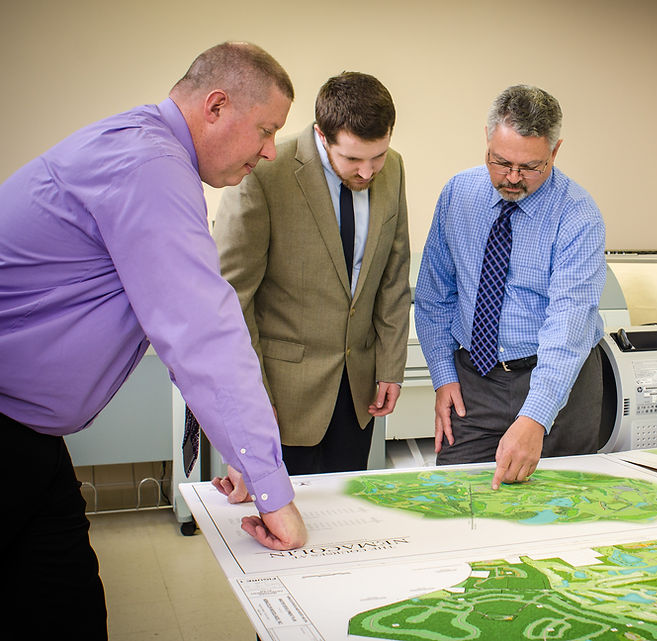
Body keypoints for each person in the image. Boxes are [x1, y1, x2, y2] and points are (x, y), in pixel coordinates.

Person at [0, 42, 307, 638]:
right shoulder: (149, 165)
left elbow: (176, 327)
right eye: (266, 130)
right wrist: (274, 495)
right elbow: (203, 332)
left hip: (30, 436)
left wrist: (243, 449)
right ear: (217, 106)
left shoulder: (142, 149)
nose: (270, 152)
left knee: (68, 609)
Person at [214, 72, 410, 475]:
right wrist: (250, 398)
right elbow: (233, 297)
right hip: (282, 395)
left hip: (358, 393)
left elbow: (393, 275)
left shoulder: (393, 168)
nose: (369, 172)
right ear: (322, 135)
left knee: (345, 517)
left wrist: (391, 366)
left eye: (377, 156)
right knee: (284, 527)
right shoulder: (264, 174)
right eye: (353, 159)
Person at [414, 84, 606, 491]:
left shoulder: (578, 216)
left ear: (555, 152)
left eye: (531, 167)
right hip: (476, 380)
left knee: (558, 509)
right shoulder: (458, 195)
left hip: (560, 383)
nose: (513, 178)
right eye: (501, 162)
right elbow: (434, 295)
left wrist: (536, 416)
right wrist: (444, 376)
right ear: (486, 137)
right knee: (455, 498)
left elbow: (567, 328)